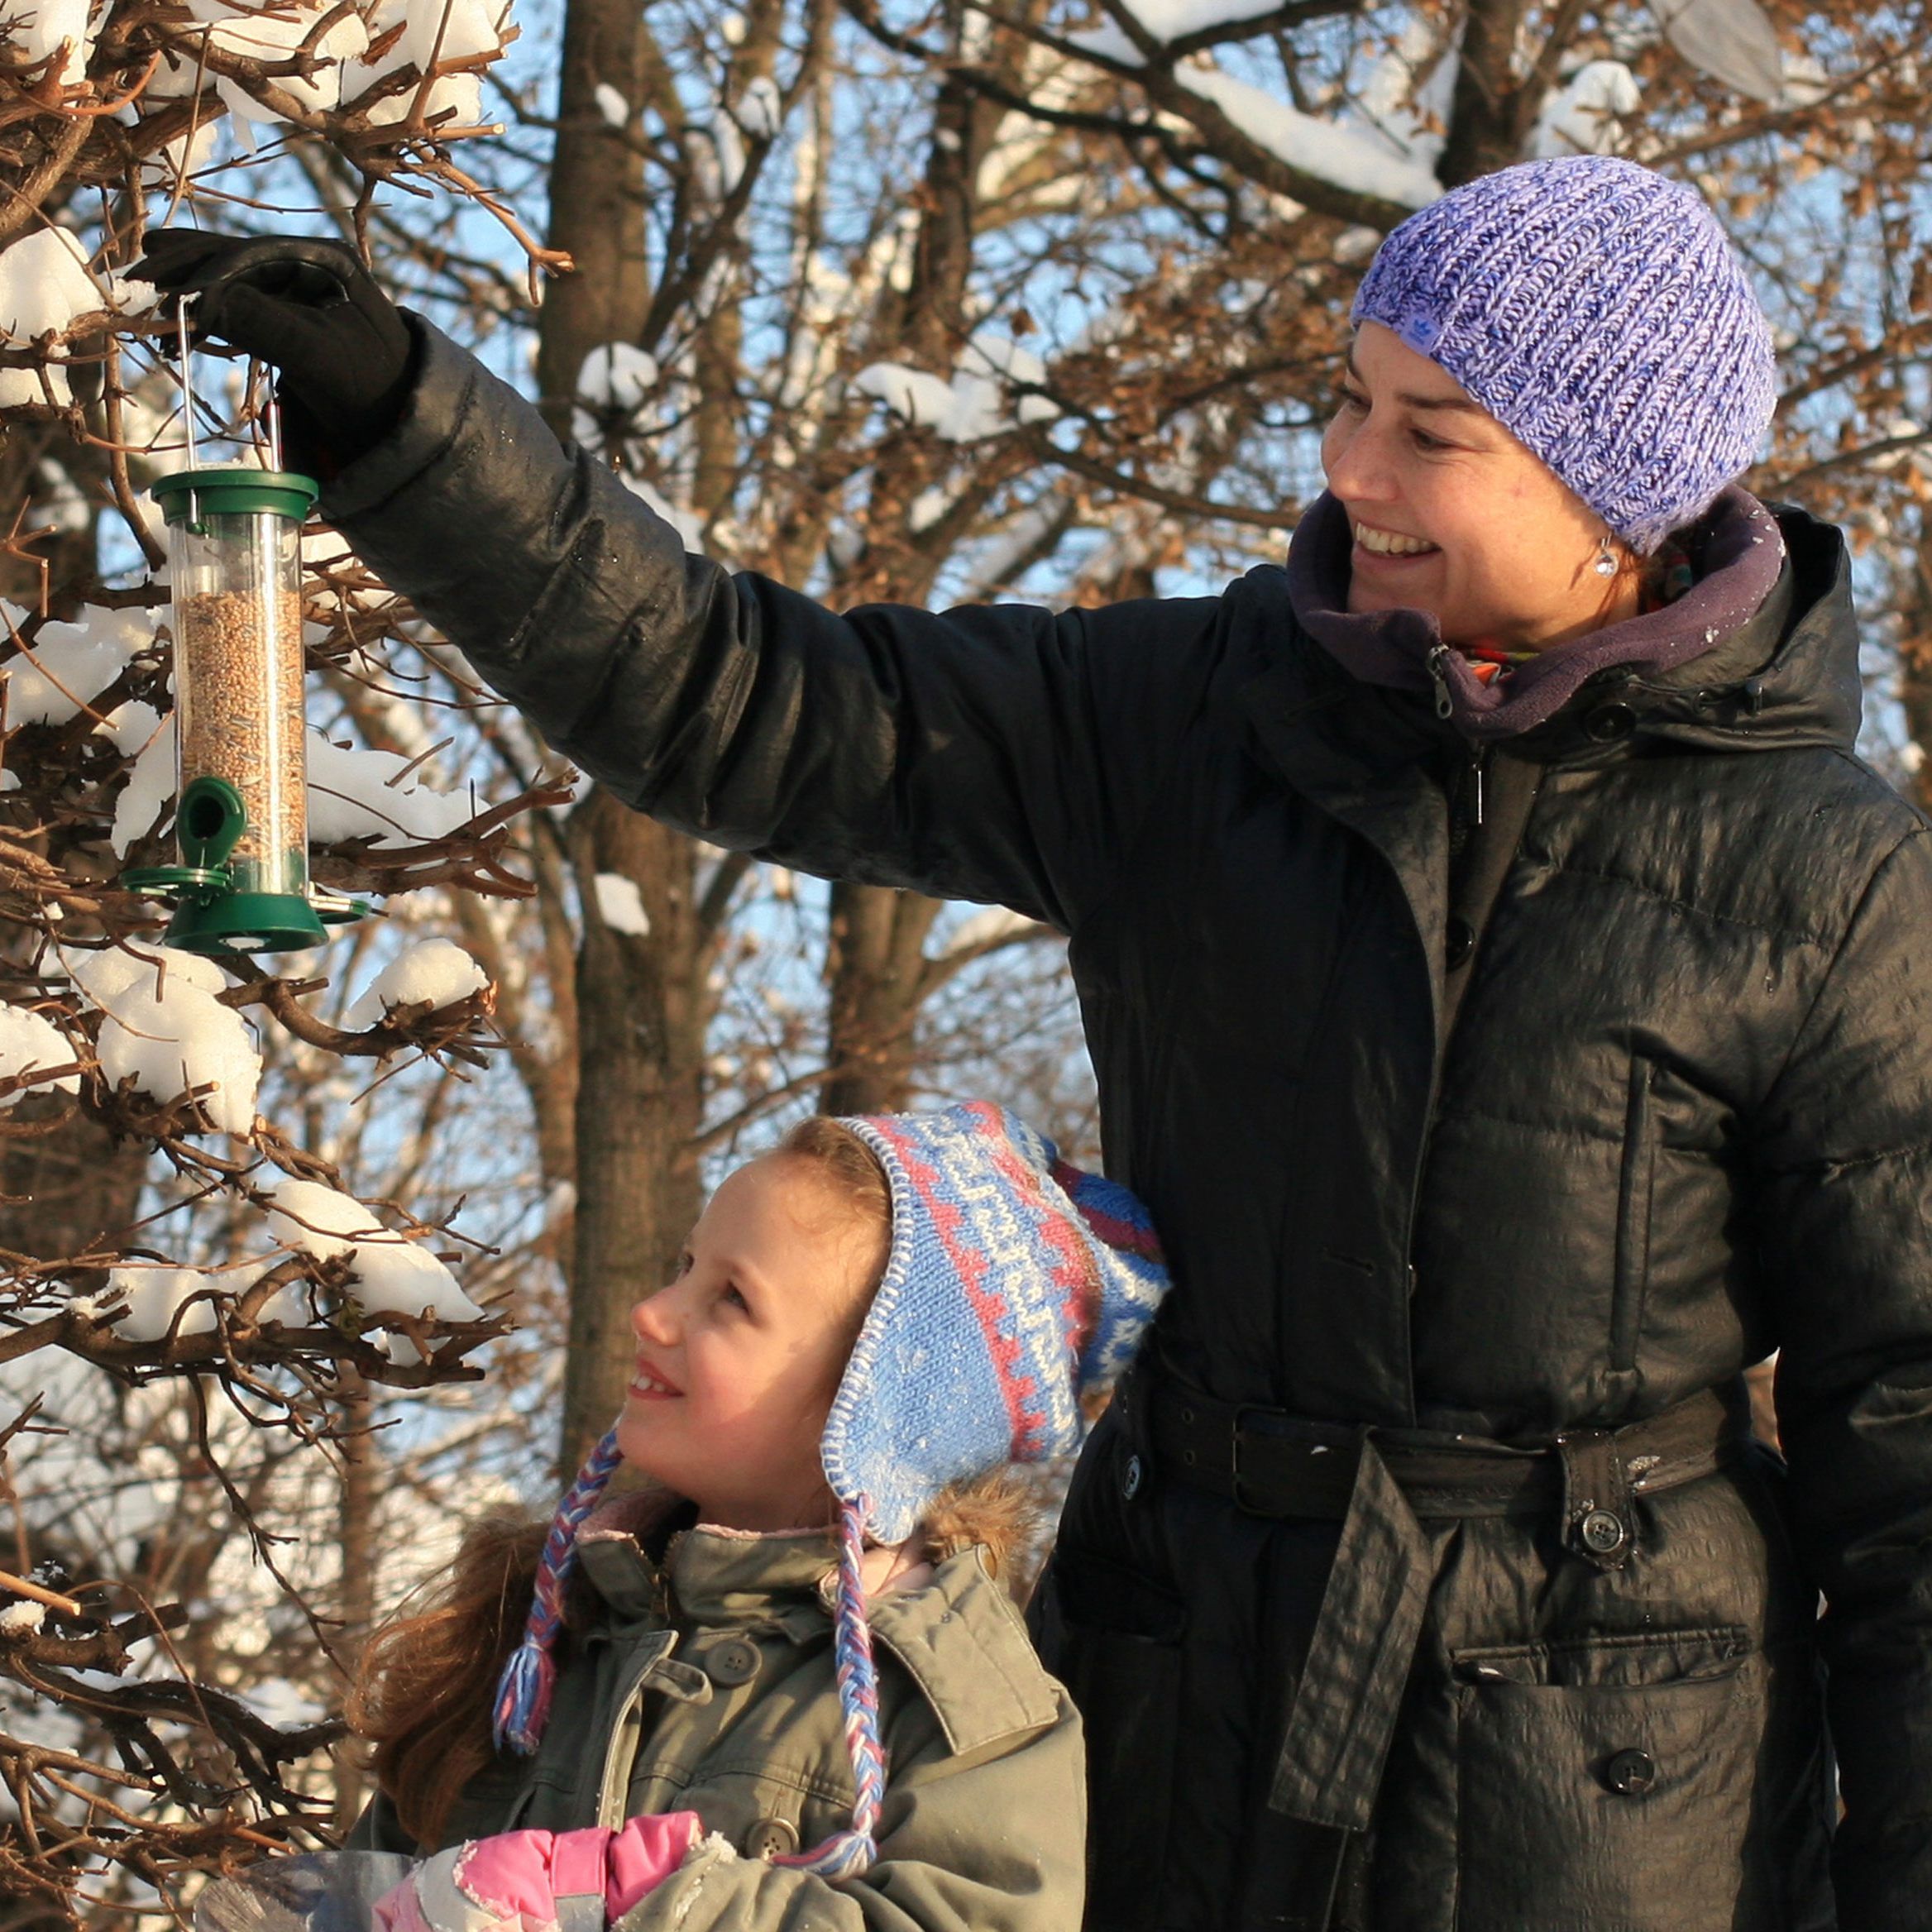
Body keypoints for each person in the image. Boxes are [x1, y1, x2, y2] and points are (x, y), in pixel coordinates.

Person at [136, 153, 1932, 1932]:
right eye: (1350, 399)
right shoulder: (1192, 723)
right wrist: (403, 425)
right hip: (1182, 1702)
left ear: (1612, 495)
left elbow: (1908, 1456)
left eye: (1432, 429)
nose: (1351, 468)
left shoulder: (1832, 880)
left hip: (1612, 1790)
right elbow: (742, 696)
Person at [346, 1103, 1167, 1932]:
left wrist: (660, 1901)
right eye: (686, 1264)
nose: (653, 1312)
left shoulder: (957, 1714)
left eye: (731, 1297)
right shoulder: (548, 1632)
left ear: (874, 1407)